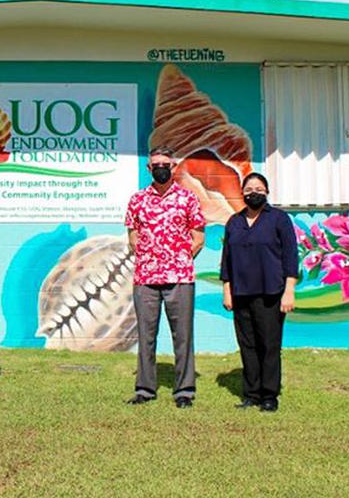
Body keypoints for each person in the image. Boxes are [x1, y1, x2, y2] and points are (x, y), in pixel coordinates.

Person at [125, 146, 206, 408]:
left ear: (173, 167)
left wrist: (177, 259)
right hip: (146, 278)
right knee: (146, 336)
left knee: (182, 336)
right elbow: (132, 236)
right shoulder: (137, 200)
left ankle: (184, 391)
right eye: (155, 164)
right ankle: (145, 389)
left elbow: (199, 238)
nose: (161, 168)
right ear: (149, 169)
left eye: (165, 164)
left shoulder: (188, 199)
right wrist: (150, 256)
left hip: (180, 277)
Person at [220, 172, 298, 412]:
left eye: (258, 188)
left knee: (269, 345)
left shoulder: (279, 219)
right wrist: (227, 290)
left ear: (267, 192)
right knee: (248, 345)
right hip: (241, 293)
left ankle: (269, 395)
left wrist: (289, 291)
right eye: (249, 188)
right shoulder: (234, 221)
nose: (253, 192)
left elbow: (290, 256)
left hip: (271, 294)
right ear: (242, 193)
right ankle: (251, 394)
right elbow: (227, 260)